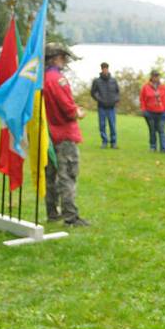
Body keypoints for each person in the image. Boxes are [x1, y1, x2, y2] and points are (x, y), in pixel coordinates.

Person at [42, 42, 88, 226]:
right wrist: (78, 112)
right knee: (67, 174)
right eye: (62, 57)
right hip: (64, 134)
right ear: (55, 58)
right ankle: (70, 216)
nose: (65, 61)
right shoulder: (58, 80)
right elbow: (67, 109)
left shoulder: (42, 79)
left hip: (47, 134)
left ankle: (52, 212)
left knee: (50, 176)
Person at [90, 62, 120, 148]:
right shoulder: (97, 81)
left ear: (108, 69)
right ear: (101, 69)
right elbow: (93, 92)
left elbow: (117, 92)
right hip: (101, 107)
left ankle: (113, 143)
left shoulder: (113, 80)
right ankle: (104, 142)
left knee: (112, 125)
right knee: (102, 125)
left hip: (111, 107)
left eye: (106, 68)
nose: (105, 70)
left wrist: (115, 100)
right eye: (103, 68)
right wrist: (99, 99)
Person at [139, 70, 165, 152]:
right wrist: (144, 110)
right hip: (150, 112)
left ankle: (164, 148)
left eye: (157, 76)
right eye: (154, 76)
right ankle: (153, 146)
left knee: (161, 130)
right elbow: (142, 99)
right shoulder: (145, 87)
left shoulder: (163, 87)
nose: (156, 78)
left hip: (162, 112)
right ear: (151, 77)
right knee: (152, 130)